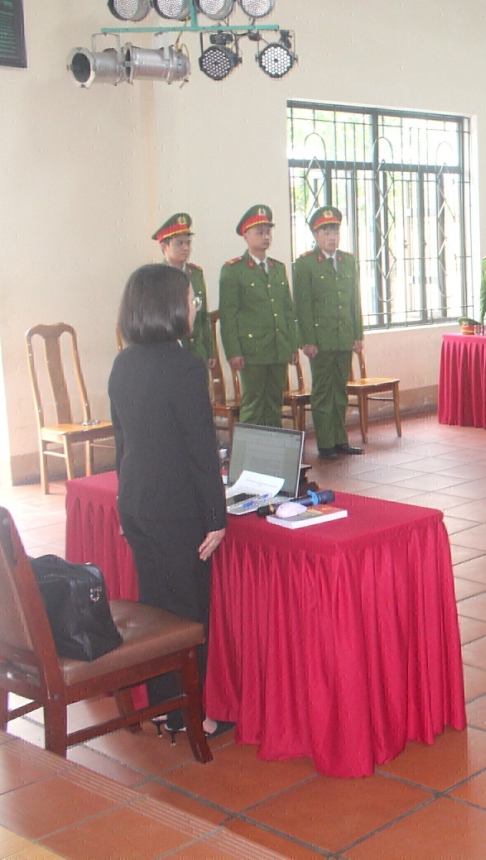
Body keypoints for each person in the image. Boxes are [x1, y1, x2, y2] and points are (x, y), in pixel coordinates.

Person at [109, 264, 229, 739]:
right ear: (168, 306)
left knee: (156, 608)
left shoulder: (123, 363)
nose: (195, 305)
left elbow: (122, 444)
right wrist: (217, 515)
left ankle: (163, 706)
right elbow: (201, 448)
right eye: (189, 298)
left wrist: (125, 503)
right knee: (187, 616)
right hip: (177, 509)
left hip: (137, 504)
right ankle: (191, 716)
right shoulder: (184, 365)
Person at [293, 206, 365, 461]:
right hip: (320, 341)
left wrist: (358, 334)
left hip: (344, 336)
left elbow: (354, 301)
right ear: (315, 234)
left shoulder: (348, 261)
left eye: (335, 231)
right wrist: (307, 341)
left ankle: (340, 439)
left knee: (340, 389)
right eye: (326, 231)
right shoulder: (306, 264)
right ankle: (325, 443)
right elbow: (302, 305)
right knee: (323, 392)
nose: (332, 236)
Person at [218, 205, 297, 428]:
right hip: (252, 351)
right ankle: (250, 458)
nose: (265, 236)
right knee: (253, 405)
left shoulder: (278, 268)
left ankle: (272, 457)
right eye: (259, 232)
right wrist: (233, 351)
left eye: (268, 231)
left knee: (274, 403)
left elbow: (287, 310)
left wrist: (291, 345)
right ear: (246, 235)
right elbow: (229, 315)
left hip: (277, 347)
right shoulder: (234, 270)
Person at [154, 213, 214, 368]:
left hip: (197, 351)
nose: (186, 248)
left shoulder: (196, 274)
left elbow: (203, 317)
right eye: (179, 243)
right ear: (164, 246)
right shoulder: (157, 277)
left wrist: (210, 350)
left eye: (188, 243)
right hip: (170, 353)